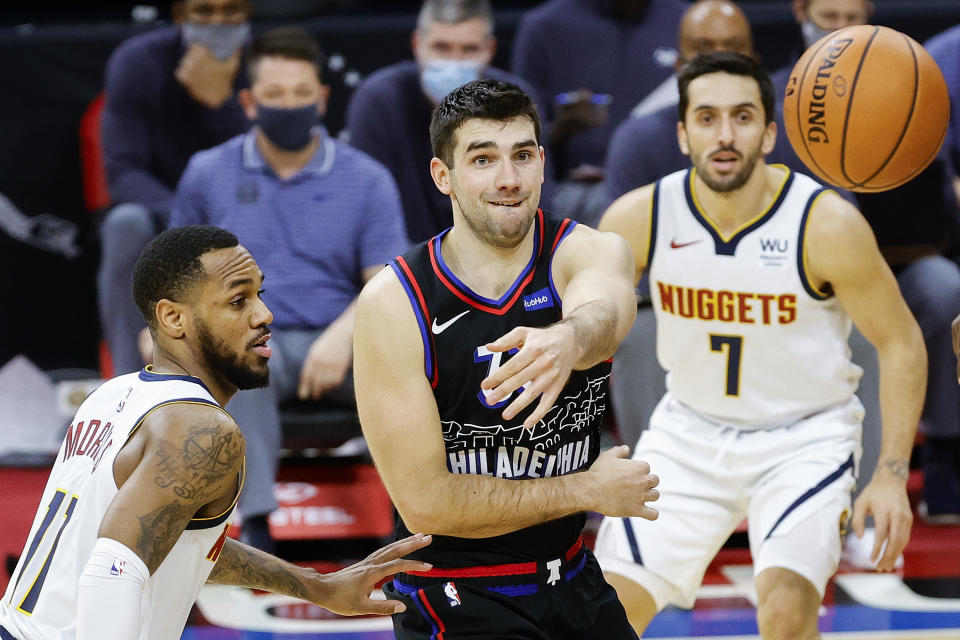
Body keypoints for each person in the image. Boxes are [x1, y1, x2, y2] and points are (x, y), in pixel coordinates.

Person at [592, 52, 925, 638]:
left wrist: (892, 474)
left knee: (787, 609)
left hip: (805, 438)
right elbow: (580, 325)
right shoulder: (640, 216)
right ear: (682, 131)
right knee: (604, 615)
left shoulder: (825, 224)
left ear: (770, 132)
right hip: (687, 434)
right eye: (708, 118)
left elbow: (900, 343)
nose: (725, 135)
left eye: (743, 117)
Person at [0, 225, 432, 640]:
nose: (265, 314)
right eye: (237, 301)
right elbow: (112, 570)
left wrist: (313, 586)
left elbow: (171, 539)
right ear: (173, 318)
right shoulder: (202, 428)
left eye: (259, 294)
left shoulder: (112, 395)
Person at [353, 78, 660, 639]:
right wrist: (586, 490)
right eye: (483, 159)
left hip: (572, 577)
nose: (508, 179)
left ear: (543, 163)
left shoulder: (589, 251)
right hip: (455, 592)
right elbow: (427, 504)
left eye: (522, 155)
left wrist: (569, 339)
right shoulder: (395, 303)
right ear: (442, 176)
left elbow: (608, 316)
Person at [168, 27, 409, 552]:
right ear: (250, 103)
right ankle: (255, 526)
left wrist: (344, 336)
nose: (291, 106)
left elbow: (387, 286)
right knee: (230, 355)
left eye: (303, 94)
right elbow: (179, 280)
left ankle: (409, 517)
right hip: (251, 336)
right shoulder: (207, 173)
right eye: (275, 96)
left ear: (323, 99)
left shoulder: (367, 178)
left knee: (408, 354)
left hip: (340, 338)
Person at [97, 0, 254, 376]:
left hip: (244, 206)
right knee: (125, 223)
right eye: (205, 12)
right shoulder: (139, 60)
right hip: (159, 212)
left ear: (248, 14)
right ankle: (127, 385)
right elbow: (122, 171)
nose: (218, 23)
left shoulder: (266, 63)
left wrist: (221, 104)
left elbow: (271, 162)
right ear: (181, 15)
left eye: (231, 11)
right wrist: (186, 222)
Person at [344, 0, 546, 243]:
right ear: (417, 44)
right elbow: (368, 212)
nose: (454, 61)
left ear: (490, 50)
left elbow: (536, 197)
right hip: (407, 262)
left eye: (469, 49)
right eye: (442, 47)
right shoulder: (379, 100)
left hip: (504, 250)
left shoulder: (516, 100)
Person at [510, 0, 687, 224]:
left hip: (661, 181)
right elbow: (517, 135)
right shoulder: (544, 26)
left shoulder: (684, 20)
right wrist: (563, 130)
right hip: (571, 186)